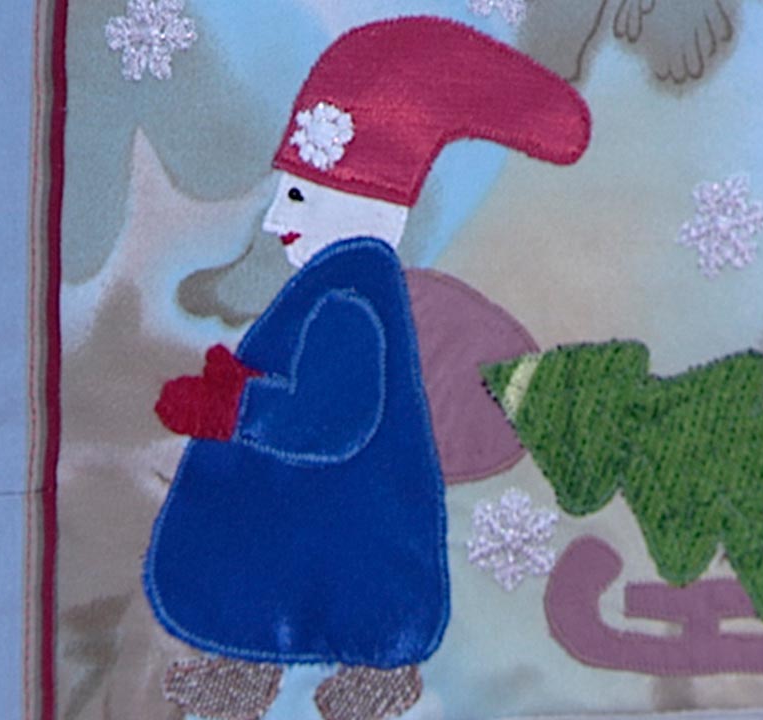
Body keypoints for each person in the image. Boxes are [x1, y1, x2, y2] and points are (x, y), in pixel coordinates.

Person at [142, 15, 591, 718]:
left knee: (321, 577)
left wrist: (233, 409)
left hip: (331, 504)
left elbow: (332, 418)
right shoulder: (339, 282)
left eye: (297, 194)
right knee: (286, 573)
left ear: (360, 197)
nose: (274, 221)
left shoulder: (347, 298)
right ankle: (265, 671)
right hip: (313, 505)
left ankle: (366, 677)